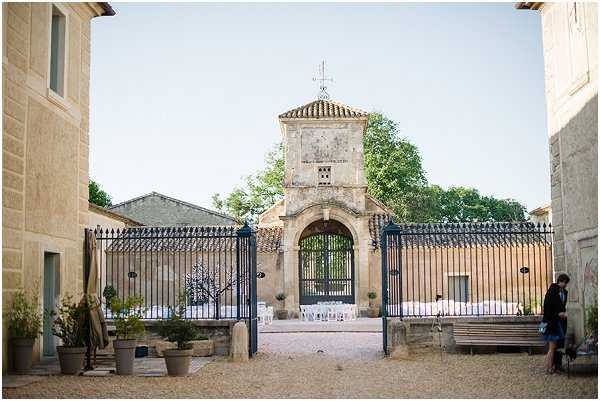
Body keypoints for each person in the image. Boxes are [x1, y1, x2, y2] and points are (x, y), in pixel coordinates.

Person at [542, 273, 569, 374]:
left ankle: (555, 366)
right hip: (552, 323)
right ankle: (550, 368)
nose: (565, 285)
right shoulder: (553, 290)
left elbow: (561, 306)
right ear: (561, 281)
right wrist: (559, 314)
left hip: (559, 323)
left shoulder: (564, 292)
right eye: (565, 283)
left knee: (557, 346)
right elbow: (548, 307)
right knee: (552, 348)